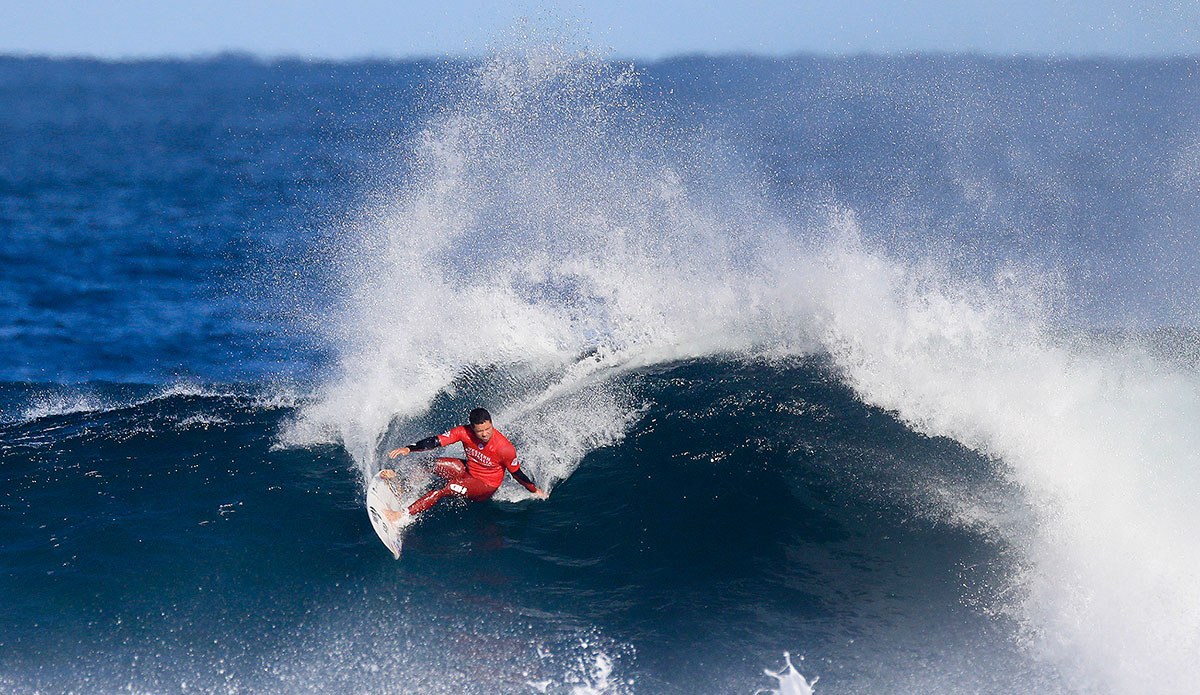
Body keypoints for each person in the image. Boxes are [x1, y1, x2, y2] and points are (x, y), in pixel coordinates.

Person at [380, 407, 547, 523]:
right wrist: (410, 448)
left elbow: (517, 473)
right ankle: (402, 484)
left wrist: (534, 490)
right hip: (468, 471)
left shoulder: (504, 447)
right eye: (480, 431)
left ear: (491, 424)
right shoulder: (463, 432)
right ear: (472, 428)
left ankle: (401, 516)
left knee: (443, 487)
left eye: (488, 429)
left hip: (485, 486)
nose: (485, 434)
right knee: (428, 462)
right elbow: (436, 441)